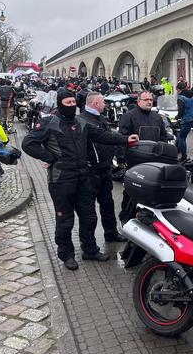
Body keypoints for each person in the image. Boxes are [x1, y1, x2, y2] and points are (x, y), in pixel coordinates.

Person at [22, 91, 138, 270]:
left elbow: (103, 136)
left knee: (89, 216)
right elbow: (28, 143)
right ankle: (66, 253)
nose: (71, 105)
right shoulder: (48, 122)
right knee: (65, 219)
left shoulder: (81, 122)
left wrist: (125, 139)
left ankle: (90, 249)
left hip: (83, 177)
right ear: (60, 104)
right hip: (61, 179)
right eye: (67, 102)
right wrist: (50, 157)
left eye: (73, 102)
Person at [78, 92, 127, 243]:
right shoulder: (83, 120)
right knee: (88, 211)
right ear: (95, 104)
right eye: (103, 102)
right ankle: (89, 245)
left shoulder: (100, 117)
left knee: (108, 203)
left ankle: (111, 233)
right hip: (91, 171)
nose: (105, 104)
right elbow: (105, 137)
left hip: (105, 168)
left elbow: (109, 137)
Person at [118, 90, 167, 223]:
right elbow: (122, 137)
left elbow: (163, 137)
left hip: (154, 163)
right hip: (135, 162)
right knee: (131, 192)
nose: (149, 102)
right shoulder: (129, 116)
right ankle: (126, 218)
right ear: (139, 101)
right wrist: (121, 159)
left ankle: (147, 217)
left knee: (151, 191)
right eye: (146, 100)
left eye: (151, 100)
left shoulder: (157, 117)